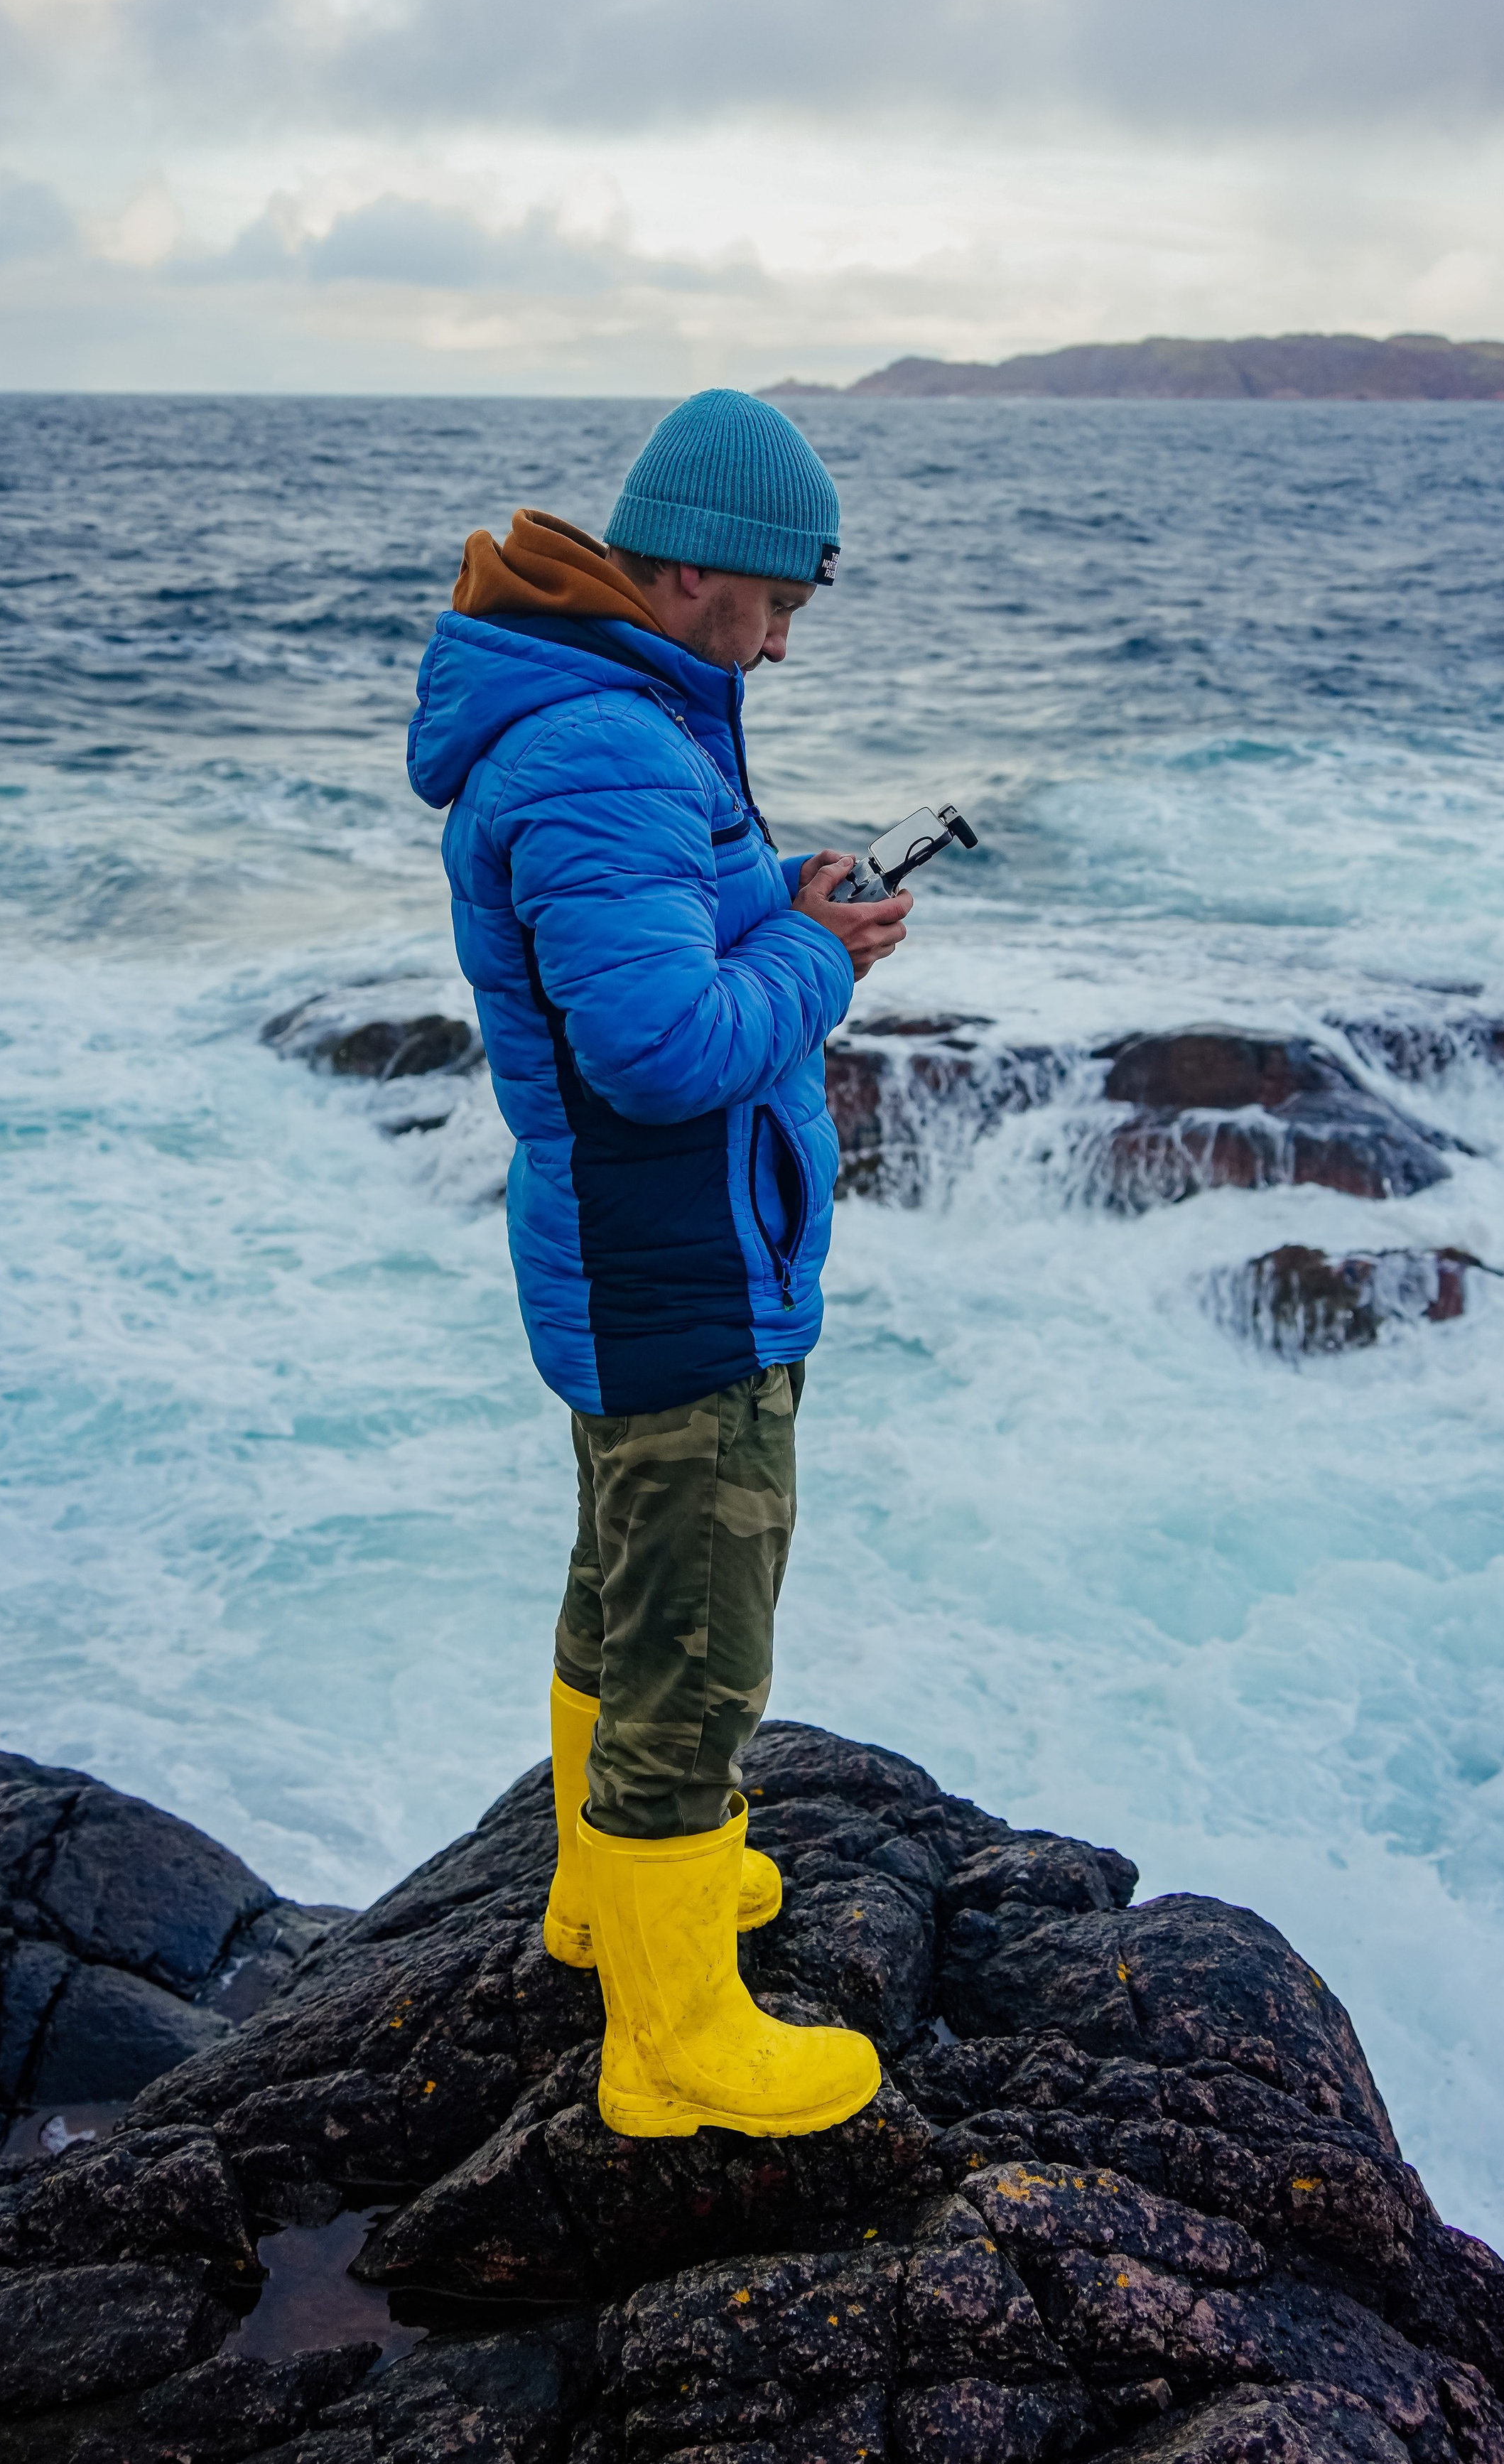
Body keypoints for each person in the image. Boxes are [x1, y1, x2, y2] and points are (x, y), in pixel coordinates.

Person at [406, 391, 907, 2141]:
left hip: (645, 1255)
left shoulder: (608, 716)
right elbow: (661, 1046)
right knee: (695, 1644)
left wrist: (776, 884)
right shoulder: (607, 744)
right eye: (779, 601)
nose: (783, 637)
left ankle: (596, 1903)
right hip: (674, 1259)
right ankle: (673, 2039)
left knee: (621, 1592)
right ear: (692, 572)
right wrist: (820, 960)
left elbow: (659, 924)